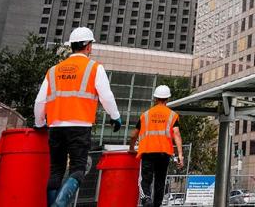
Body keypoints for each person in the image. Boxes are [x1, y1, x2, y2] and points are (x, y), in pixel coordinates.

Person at [34, 27, 122, 207]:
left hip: (55, 127)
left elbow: (40, 101)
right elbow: (106, 96)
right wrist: (115, 116)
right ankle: (60, 203)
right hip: (80, 126)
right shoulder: (94, 68)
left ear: (71, 46)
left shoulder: (53, 70)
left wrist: (39, 122)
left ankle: (52, 205)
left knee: (56, 171)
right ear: (88, 46)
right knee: (78, 169)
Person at [130, 84, 184, 207]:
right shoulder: (172, 115)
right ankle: (157, 204)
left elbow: (134, 135)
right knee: (160, 181)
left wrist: (131, 148)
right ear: (168, 99)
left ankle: (146, 200)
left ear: (155, 98)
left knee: (145, 180)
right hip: (164, 153)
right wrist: (180, 155)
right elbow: (176, 134)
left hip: (148, 152)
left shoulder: (145, 115)